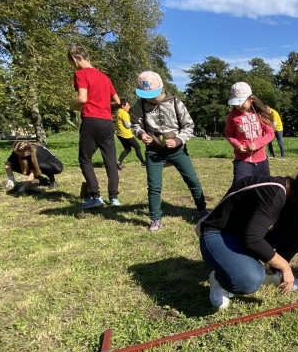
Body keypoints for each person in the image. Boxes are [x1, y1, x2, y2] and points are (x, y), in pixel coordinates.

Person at [198, 165, 298, 310]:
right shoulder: (275, 194)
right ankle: (219, 279)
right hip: (218, 234)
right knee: (249, 280)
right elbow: (253, 240)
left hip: (244, 236)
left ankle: (271, 274)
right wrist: (285, 267)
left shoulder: (294, 196)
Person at [130, 71, 208, 232]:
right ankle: (155, 218)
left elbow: (189, 126)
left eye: (153, 94)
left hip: (177, 150)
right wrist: (141, 134)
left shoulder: (175, 102)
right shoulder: (140, 105)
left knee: (192, 181)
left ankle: (203, 211)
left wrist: (178, 140)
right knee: (154, 186)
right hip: (154, 151)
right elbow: (135, 125)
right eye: (147, 95)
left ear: (162, 88)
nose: (150, 99)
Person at [68, 45, 121, 209]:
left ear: (75, 59)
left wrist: (71, 108)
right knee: (110, 161)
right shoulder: (105, 77)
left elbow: (82, 98)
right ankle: (114, 198)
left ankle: (95, 196)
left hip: (91, 120)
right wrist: (102, 104)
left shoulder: (81, 74)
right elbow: (117, 101)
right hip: (107, 122)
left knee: (85, 159)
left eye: (72, 63)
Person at [225, 81, 275, 183]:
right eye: (236, 103)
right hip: (242, 160)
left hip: (261, 160)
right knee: (240, 187)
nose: (239, 105)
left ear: (250, 99)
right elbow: (229, 134)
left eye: (241, 102)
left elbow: (270, 133)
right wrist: (238, 146)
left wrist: (257, 144)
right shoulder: (232, 116)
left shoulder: (260, 114)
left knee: (264, 187)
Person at [114, 99, 146, 169]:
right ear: (123, 106)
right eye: (128, 105)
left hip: (120, 134)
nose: (129, 107)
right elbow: (128, 125)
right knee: (137, 147)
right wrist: (134, 122)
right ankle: (143, 163)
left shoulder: (118, 111)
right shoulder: (124, 113)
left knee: (127, 149)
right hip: (126, 135)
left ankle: (118, 162)